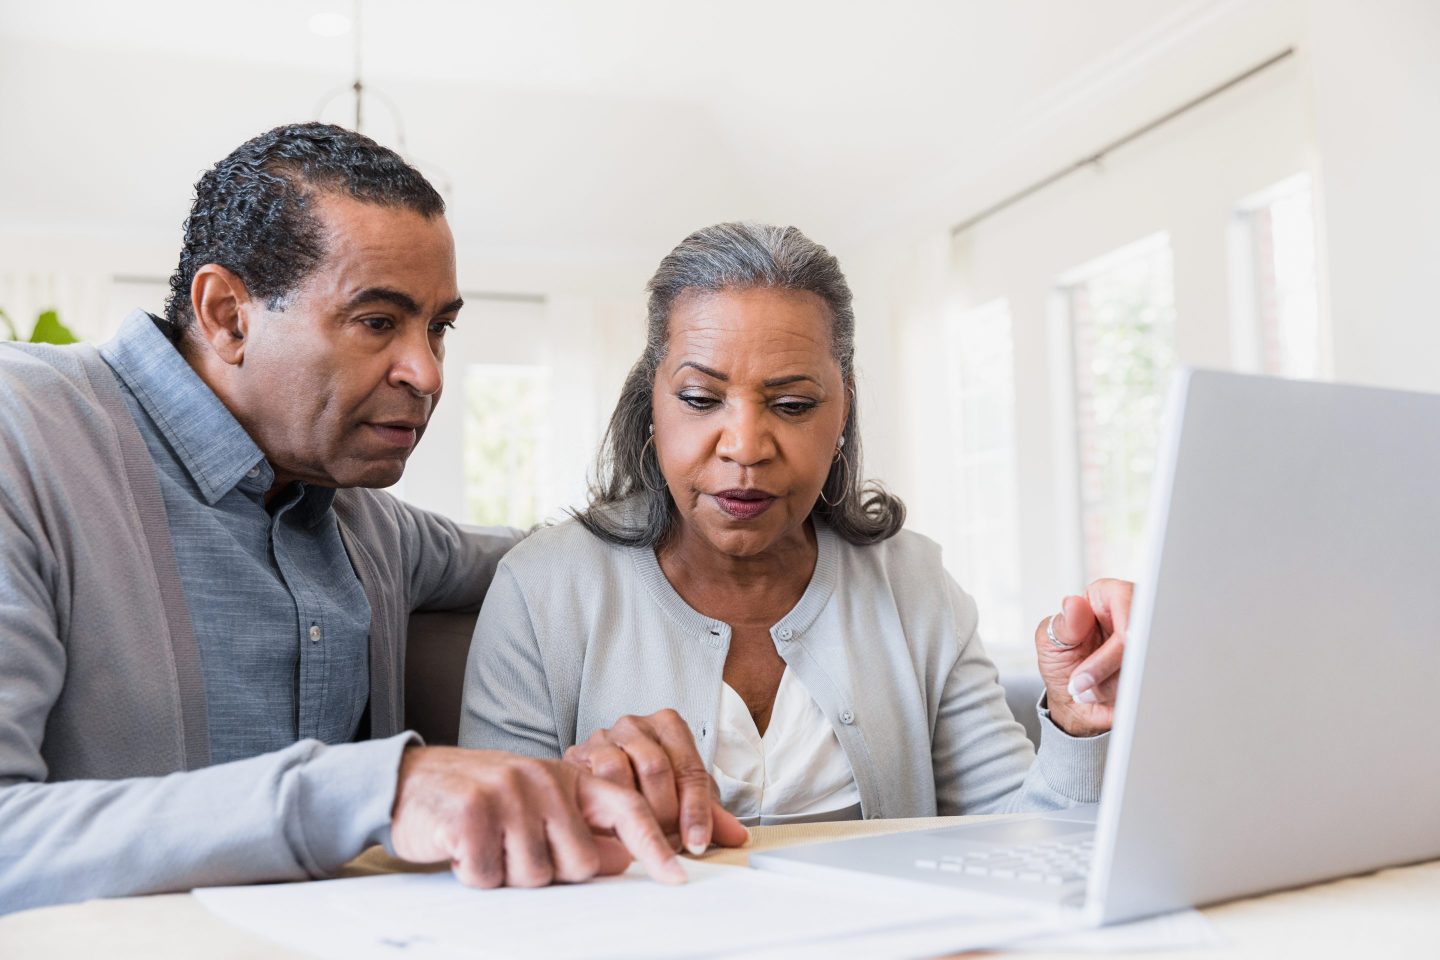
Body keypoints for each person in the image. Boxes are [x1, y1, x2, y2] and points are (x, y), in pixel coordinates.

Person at [0, 123, 704, 916]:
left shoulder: (372, 527)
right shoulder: (22, 436)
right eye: (378, 322)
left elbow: (545, 557)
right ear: (228, 314)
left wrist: (717, 511)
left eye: (438, 328)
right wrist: (378, 788)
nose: (428, 373)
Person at [460, 222, 1131, 842]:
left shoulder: (915, 587)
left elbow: (1019, 842)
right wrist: (581, 809)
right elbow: (497, 854)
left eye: (792, 405)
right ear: (652, 405)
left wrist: (1077, 729)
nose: (746, 447)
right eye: (700, 399)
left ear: (842, 411)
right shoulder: (541, 590)